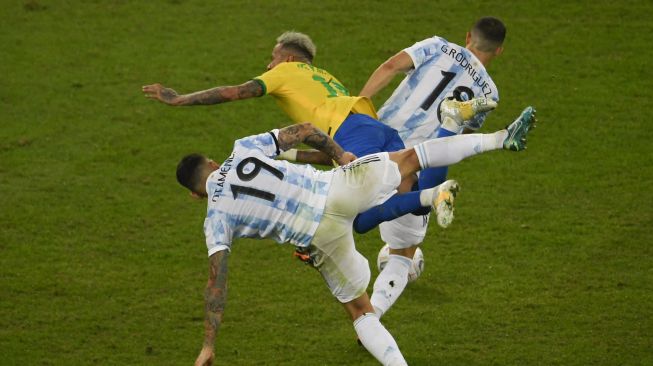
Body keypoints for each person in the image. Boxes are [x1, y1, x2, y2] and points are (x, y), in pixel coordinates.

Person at [176, 101, 536, 365]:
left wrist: (208, 344)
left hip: (319, 237)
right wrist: (339, 152)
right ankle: (502, 138)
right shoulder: (242, 150)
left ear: (195, 195)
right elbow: (303, 131)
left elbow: (216, 282)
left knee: (361, 311)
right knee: (412, 158)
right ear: (212, 163)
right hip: (335, 188)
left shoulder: (215, 217)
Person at [142, 31, 464, 232]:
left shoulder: (285, 72)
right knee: (413, 204)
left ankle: (449, 126)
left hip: (352, 130)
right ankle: (436, 181)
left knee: (361, 220)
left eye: (273, 58)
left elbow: (237, 91)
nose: (269, 66)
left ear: (290, 58)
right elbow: (337, 151)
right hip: (375, 128)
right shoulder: (323, 77)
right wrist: (293, 155)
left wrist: (180, 99)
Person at [357, 16, 508, 319]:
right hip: (411, 168)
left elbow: (390, 67)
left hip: (374, 143)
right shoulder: (489, 94)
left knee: (346, 211)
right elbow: (452, 143)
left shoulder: (436, 45)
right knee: (403, 254)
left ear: (468, 36)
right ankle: (371, 317)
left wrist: (359, 103)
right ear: (499, 51)